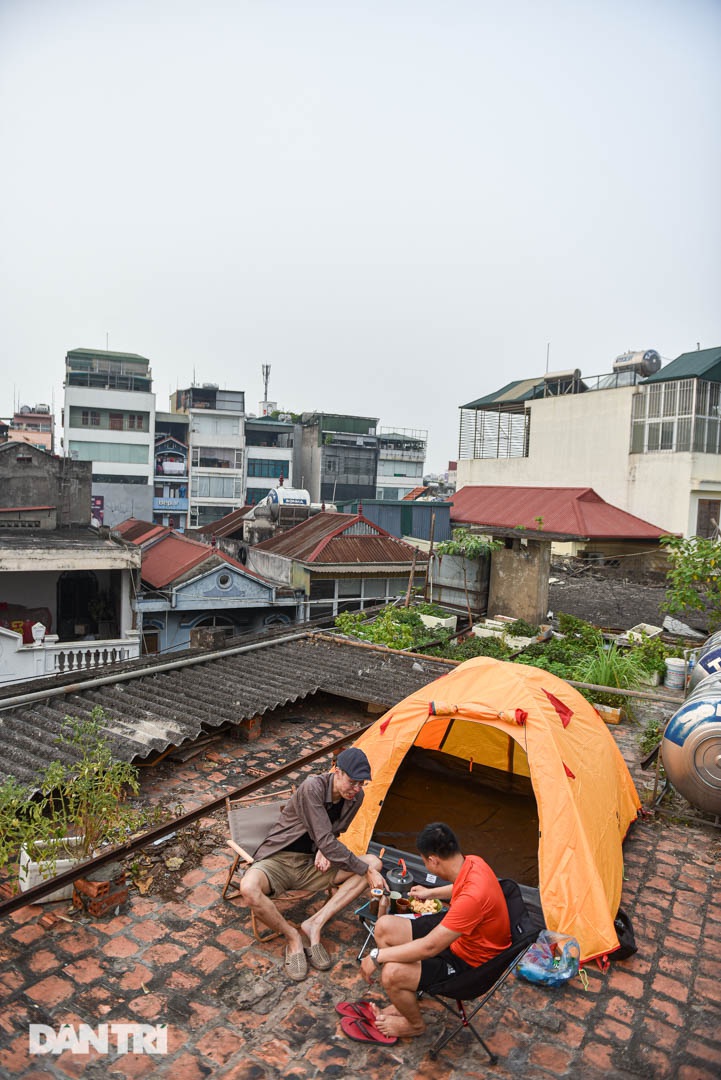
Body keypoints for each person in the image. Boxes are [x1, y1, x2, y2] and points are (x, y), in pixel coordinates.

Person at [240, 747, 385, 982]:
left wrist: (323, 849)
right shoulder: (313, 787)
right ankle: (293, 938)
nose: (357, 789)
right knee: (248, 888)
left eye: (362, 784)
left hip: (312, 865)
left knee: (373, 862)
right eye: (353, 782)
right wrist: (329, 848)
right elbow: (326, 838)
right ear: (337, 771)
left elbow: (333, 833)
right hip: (279, 859)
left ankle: (313, 924)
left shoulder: (356, 797)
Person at [359, 822, 511, 1039]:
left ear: (432, 860)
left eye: (423, 861)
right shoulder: (474, 862)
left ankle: (414, 1024)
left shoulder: (472, 898)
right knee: (384, 927)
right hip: (460, 936)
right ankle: (407, 993)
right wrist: (431, 893)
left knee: (391, 973)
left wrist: (377, 956)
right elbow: (460, 885)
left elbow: (430, 946)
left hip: (470, 964)